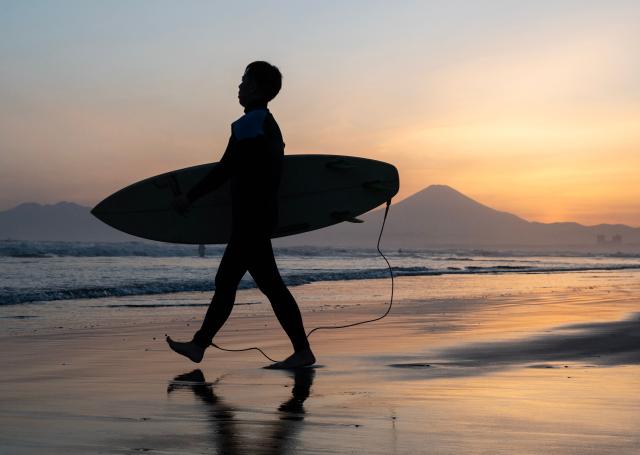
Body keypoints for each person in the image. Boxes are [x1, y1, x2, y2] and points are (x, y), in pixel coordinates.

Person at [166, 61, 315, 369]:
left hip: (251, 219)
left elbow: (226, 168)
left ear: (256, 88)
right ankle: (299, 350)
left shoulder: (250, 124)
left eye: (244, 80)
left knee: (233, 281)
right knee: (264, 285)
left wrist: (189, 197)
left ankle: (200, 345)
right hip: (260, 216)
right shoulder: (269, 125)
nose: (239, 86)